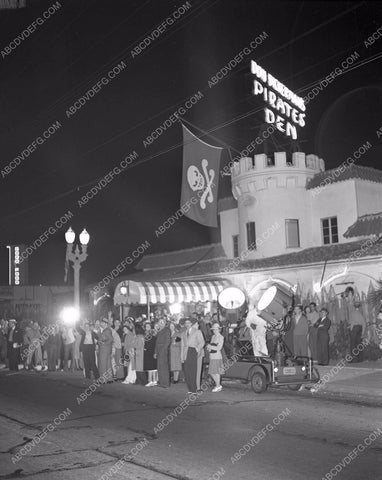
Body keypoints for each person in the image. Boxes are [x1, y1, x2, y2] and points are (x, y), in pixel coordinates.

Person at [181, 319, 205, 394]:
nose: (187, 324)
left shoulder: (197, 331)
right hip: (186, 352)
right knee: (187, 371)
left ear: (191, 323)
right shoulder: (183, 333)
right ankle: (190, 389)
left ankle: (194, 389)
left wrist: (197, 349)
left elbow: (202, 342)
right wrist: (182, 357)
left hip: (193, 351)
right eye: (186, 323)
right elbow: (182, 346)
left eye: (188, 323)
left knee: (193, 371)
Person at [207, 323, 224, 392]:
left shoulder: (221, 337)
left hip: (217, 356)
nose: (214, 331)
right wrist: (209, 349)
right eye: (213, 329)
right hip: (212, 356)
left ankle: (218, 385)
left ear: (219, 330)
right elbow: (212, 345)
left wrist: (210, 346)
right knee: (211, 372)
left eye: (216, 329)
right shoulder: (213, 337)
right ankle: (218, 385)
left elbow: (219, 347)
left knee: (216, 372)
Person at [154, 318, 171, 388]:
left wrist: (163, 350)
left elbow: (167, 341)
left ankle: (165, 383)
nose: (161, 323)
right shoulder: (159, 331)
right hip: (158, 350)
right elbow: (156, 342)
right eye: (159, 322)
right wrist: (155, 352)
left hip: (163, 350)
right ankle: (161, 382)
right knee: (159, 367)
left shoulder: (167, 330)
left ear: (165, 323)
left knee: (164, 367)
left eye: (162, 322)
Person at [143, 322, 157, 386]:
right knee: (151, 367)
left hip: (150, 352)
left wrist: (145, 348)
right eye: (146, 326)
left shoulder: (152, 334)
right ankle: (152, 381)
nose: (147, 328)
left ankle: (153, 381)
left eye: (148, 326)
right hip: (147, 352)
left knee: (152, 367)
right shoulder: (145, 334)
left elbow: (152, 343)